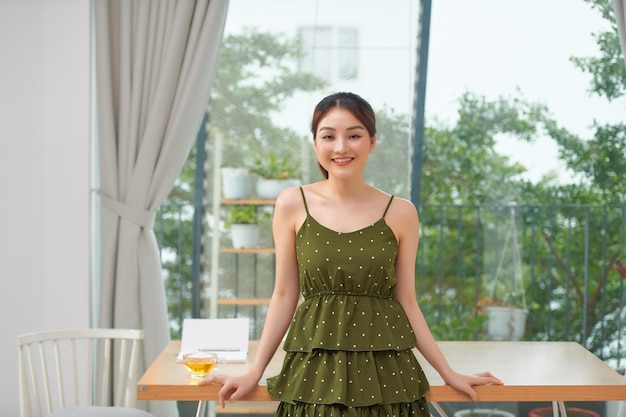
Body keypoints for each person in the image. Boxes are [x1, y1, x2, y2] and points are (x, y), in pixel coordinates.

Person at [200, 92, 503, 416]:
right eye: (328, 136)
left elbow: (407, 301)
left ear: (372, 142)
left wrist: (448, 372)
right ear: (315, 143)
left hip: (387, 376)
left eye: (354, 135)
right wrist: (254, 371)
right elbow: (285, 294)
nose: (341, 147)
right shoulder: (291, 204)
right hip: (315, 376)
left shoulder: (401, 212)